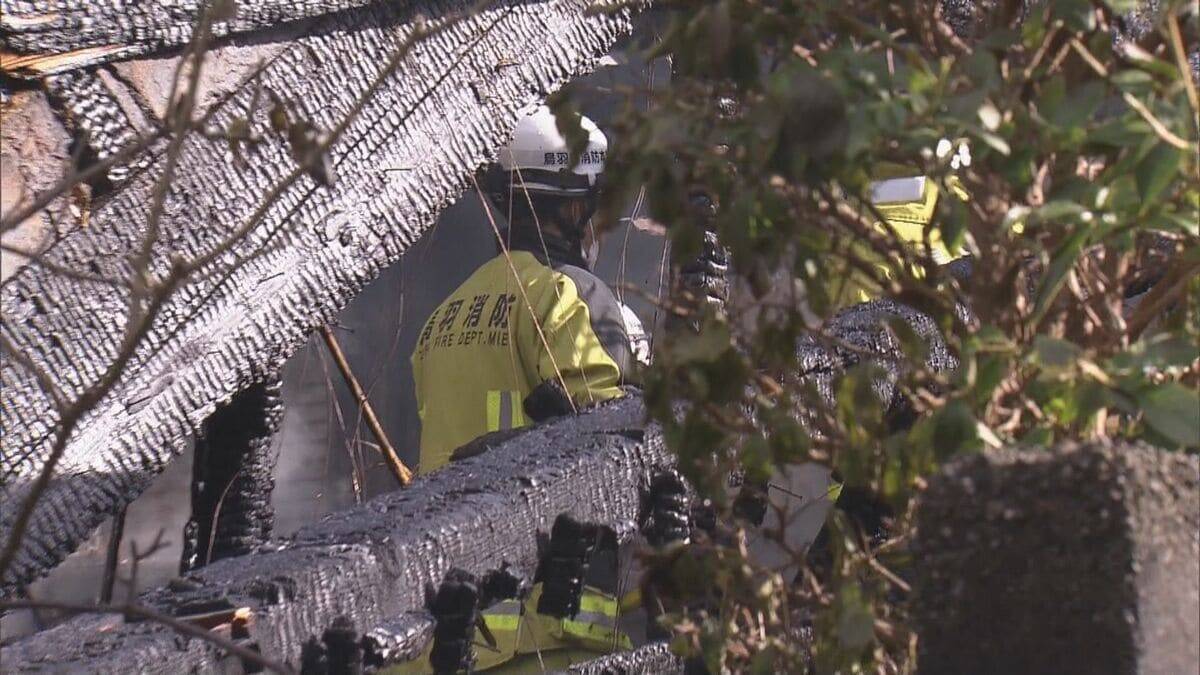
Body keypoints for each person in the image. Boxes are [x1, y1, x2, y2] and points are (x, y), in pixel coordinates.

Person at [410, 104, 635, 476]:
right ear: (576, 208)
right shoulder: (570, 295)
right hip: (537, 530)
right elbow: (613, 450)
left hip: (447, 531)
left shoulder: (443, 316)